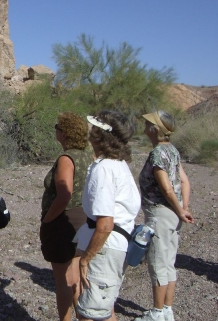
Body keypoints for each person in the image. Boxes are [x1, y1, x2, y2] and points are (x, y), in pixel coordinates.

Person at [73, 111, 141, 321]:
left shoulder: (104, 169)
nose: (89, 131)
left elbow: (105, 224)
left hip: (104, 247)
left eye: (94, 128)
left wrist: (86, 259)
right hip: (113, 245)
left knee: (88, 311)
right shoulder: (119, 166)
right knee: (104, 309)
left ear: (100, 135)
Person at [135, 111, 194, 321]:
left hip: (160, 213)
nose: (144, 124)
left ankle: (157, 313)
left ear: (155, 129)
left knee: (158, 262)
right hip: (173, 214)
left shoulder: (158, 154)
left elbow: (167, 189)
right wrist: (183, 208)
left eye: (148, 122)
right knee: (169, 262)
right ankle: (167, 309)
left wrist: (180, 209)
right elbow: (184, 181)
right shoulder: (173, 151)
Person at [40, 112, 93, 321]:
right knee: (76, 277)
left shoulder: (66, 158)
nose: (56, 130)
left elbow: (64, 195)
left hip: (64, 220)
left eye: (58, 126)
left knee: (62, 279)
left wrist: (47, 219)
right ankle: (82, 316)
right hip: (83, 219)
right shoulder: (88, 156)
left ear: (64, 133)